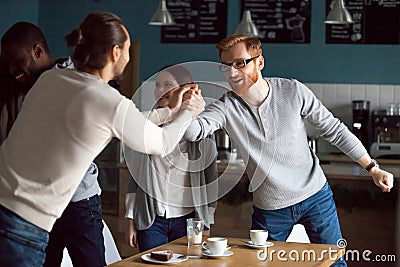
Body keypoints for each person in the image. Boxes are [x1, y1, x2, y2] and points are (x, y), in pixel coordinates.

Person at [0, 12, 204, 267]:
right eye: (128, 49)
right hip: (24, 225)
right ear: (116, 52)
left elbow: (122, 121)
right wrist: (187, 112)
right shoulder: (107, 100)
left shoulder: (51, 79)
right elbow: (161, 143)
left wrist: (169, 112)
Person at [184, 34, 394, 266]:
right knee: (261, 264)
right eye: (226, 67)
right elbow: (195, 132)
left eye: (240, 63)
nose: (232, 72)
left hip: (315, 197)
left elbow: (334, 130)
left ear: (260, 62)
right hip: (270, 208)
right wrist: (188, 111)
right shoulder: (226, 107)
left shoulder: (292, 90)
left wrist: (373, 169)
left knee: (334, 263)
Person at [0, 21, 105, 267]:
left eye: (17, 61)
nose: (12, 69)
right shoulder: (15, 92)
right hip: (37, 205)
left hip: (77, 202)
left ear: (38, 51)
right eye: (7, 64)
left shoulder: (72, 81)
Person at [124, 65, 218, 252]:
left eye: (167, 84)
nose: (160, 90)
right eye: (157, 84)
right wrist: (131, 219)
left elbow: (211, 179)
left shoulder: (200, 129)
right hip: (151, 219)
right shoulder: (148, 125)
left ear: (186, 89)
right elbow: (135, 177)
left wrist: (207, 222)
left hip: (189, 220)